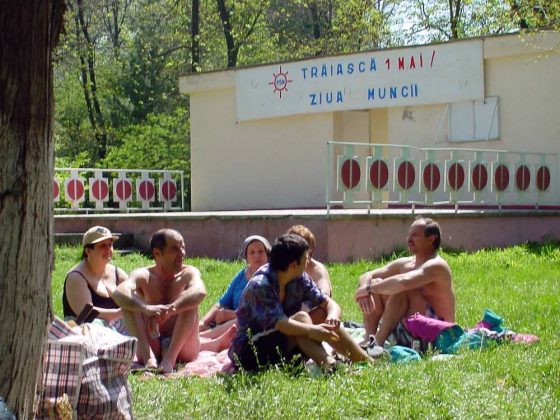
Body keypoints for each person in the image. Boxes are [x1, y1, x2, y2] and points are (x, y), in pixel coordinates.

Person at [229, 234, 371, 373]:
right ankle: (330, 365)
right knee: (301, 319)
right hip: (250, 352)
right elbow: (281, 324)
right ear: (293, 265)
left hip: (282, 343)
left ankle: (364, 360)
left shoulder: (298, 277)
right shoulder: (261, 285)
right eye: (306, 258)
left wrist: (332, 317)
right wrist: (313, 330)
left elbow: (327, 302)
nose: (309, 261)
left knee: (321, 314)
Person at [113, 229, 235, 373]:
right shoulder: (143, 275)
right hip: (152, 342)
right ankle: (148, 359)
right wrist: (146, 308)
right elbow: (119, 292)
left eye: (183, 248)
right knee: (128, 305)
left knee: (190, 302)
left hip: (182, 348)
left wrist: (171, 309)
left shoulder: (188, 272)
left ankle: (169, 359)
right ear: (157, 253)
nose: (182, 253)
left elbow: (200, 291)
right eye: (175, 249)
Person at [355, 217, 455, 354]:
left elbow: (404, 282)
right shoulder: (406, 263)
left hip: (435, 336)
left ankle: (377, 344)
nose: (409, 239)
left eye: (415, 235)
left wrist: (369, 289)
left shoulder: (437, 266)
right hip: (407, 329)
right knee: (376, 282)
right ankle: (369, 338)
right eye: (409, 234)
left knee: (403, 290)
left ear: (431, 239)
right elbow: (368, 274)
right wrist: (365, 289)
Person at [199, 235, 271, 338]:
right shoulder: (241, 275)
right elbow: (222, 301)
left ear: (267, 254)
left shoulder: (270, 277)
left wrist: (232, 314)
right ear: (246, 257)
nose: (256, 256)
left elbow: (259, 311)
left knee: (241, 321)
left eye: (260, 251)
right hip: (227, 323)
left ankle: (204, 338)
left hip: (250, 325)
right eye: (252, 252)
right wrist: (203, 322)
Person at [62, 226, 127, 329]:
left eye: (110, 245)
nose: (108, 249)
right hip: (84, 330)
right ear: (88, 251)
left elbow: (135, 296)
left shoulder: (118, 274)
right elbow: (86, 314)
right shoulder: (76, 277)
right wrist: (117, 313)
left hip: (114, 328)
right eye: (102, 246)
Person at [286, 225, 332, 324]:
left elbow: (325, 296)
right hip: (286, 319)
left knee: (321, 312)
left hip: (310, 314)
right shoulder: (283, 269)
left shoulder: (318, 270)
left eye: (307, 247)